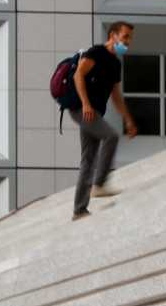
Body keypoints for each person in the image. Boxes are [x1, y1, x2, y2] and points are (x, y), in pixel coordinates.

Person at [59, 22, 139, 220]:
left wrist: (128, 120)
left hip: (93, 113)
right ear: (113, 35)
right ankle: (100, 183)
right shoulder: (96, 52)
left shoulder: (115, 63)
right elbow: (78, 75)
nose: (128, 42)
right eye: (125, 36)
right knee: (111, 136)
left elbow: (116, 95)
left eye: (130, 38)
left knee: (88, 159)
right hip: (80, 108)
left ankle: (79, 210)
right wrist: (85, 103)